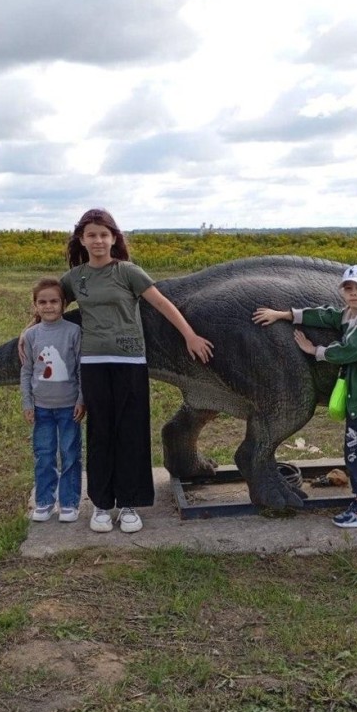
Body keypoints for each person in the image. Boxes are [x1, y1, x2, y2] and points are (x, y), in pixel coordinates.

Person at [56, 208, 213, 534]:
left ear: (114, 238)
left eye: (104, 234)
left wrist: (189, 335)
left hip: (130, 361)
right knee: (100, 433)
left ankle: (128, 503)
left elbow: (162, 304)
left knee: (131, 431)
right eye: (91, 235)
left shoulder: (128, 272)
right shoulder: (76, 277)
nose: (98, 240)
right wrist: (29, 334)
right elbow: (52, 303)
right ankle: (101, 503)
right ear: (81, 240)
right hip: (94, 363)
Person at [252, 265, 357, 528]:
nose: (353, 293)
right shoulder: (353, 313)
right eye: (348, 289)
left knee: (355, 452)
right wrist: (284, 314)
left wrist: (314, 350)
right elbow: (327, 316)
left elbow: (349, 351)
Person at [20, 278, 85, 523]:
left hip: (69, 407)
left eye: (54, 301)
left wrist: (82, 399)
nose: (49, 306)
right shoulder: (31, 335)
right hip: (42, 408)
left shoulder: (74, 332)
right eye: (42, 302)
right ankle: (45, 501)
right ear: (35, 305)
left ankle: (69, 502)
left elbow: (80, 369)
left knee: (70, 454)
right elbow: (26, 370)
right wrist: (27, 402)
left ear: (64, 304)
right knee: (44, 454)